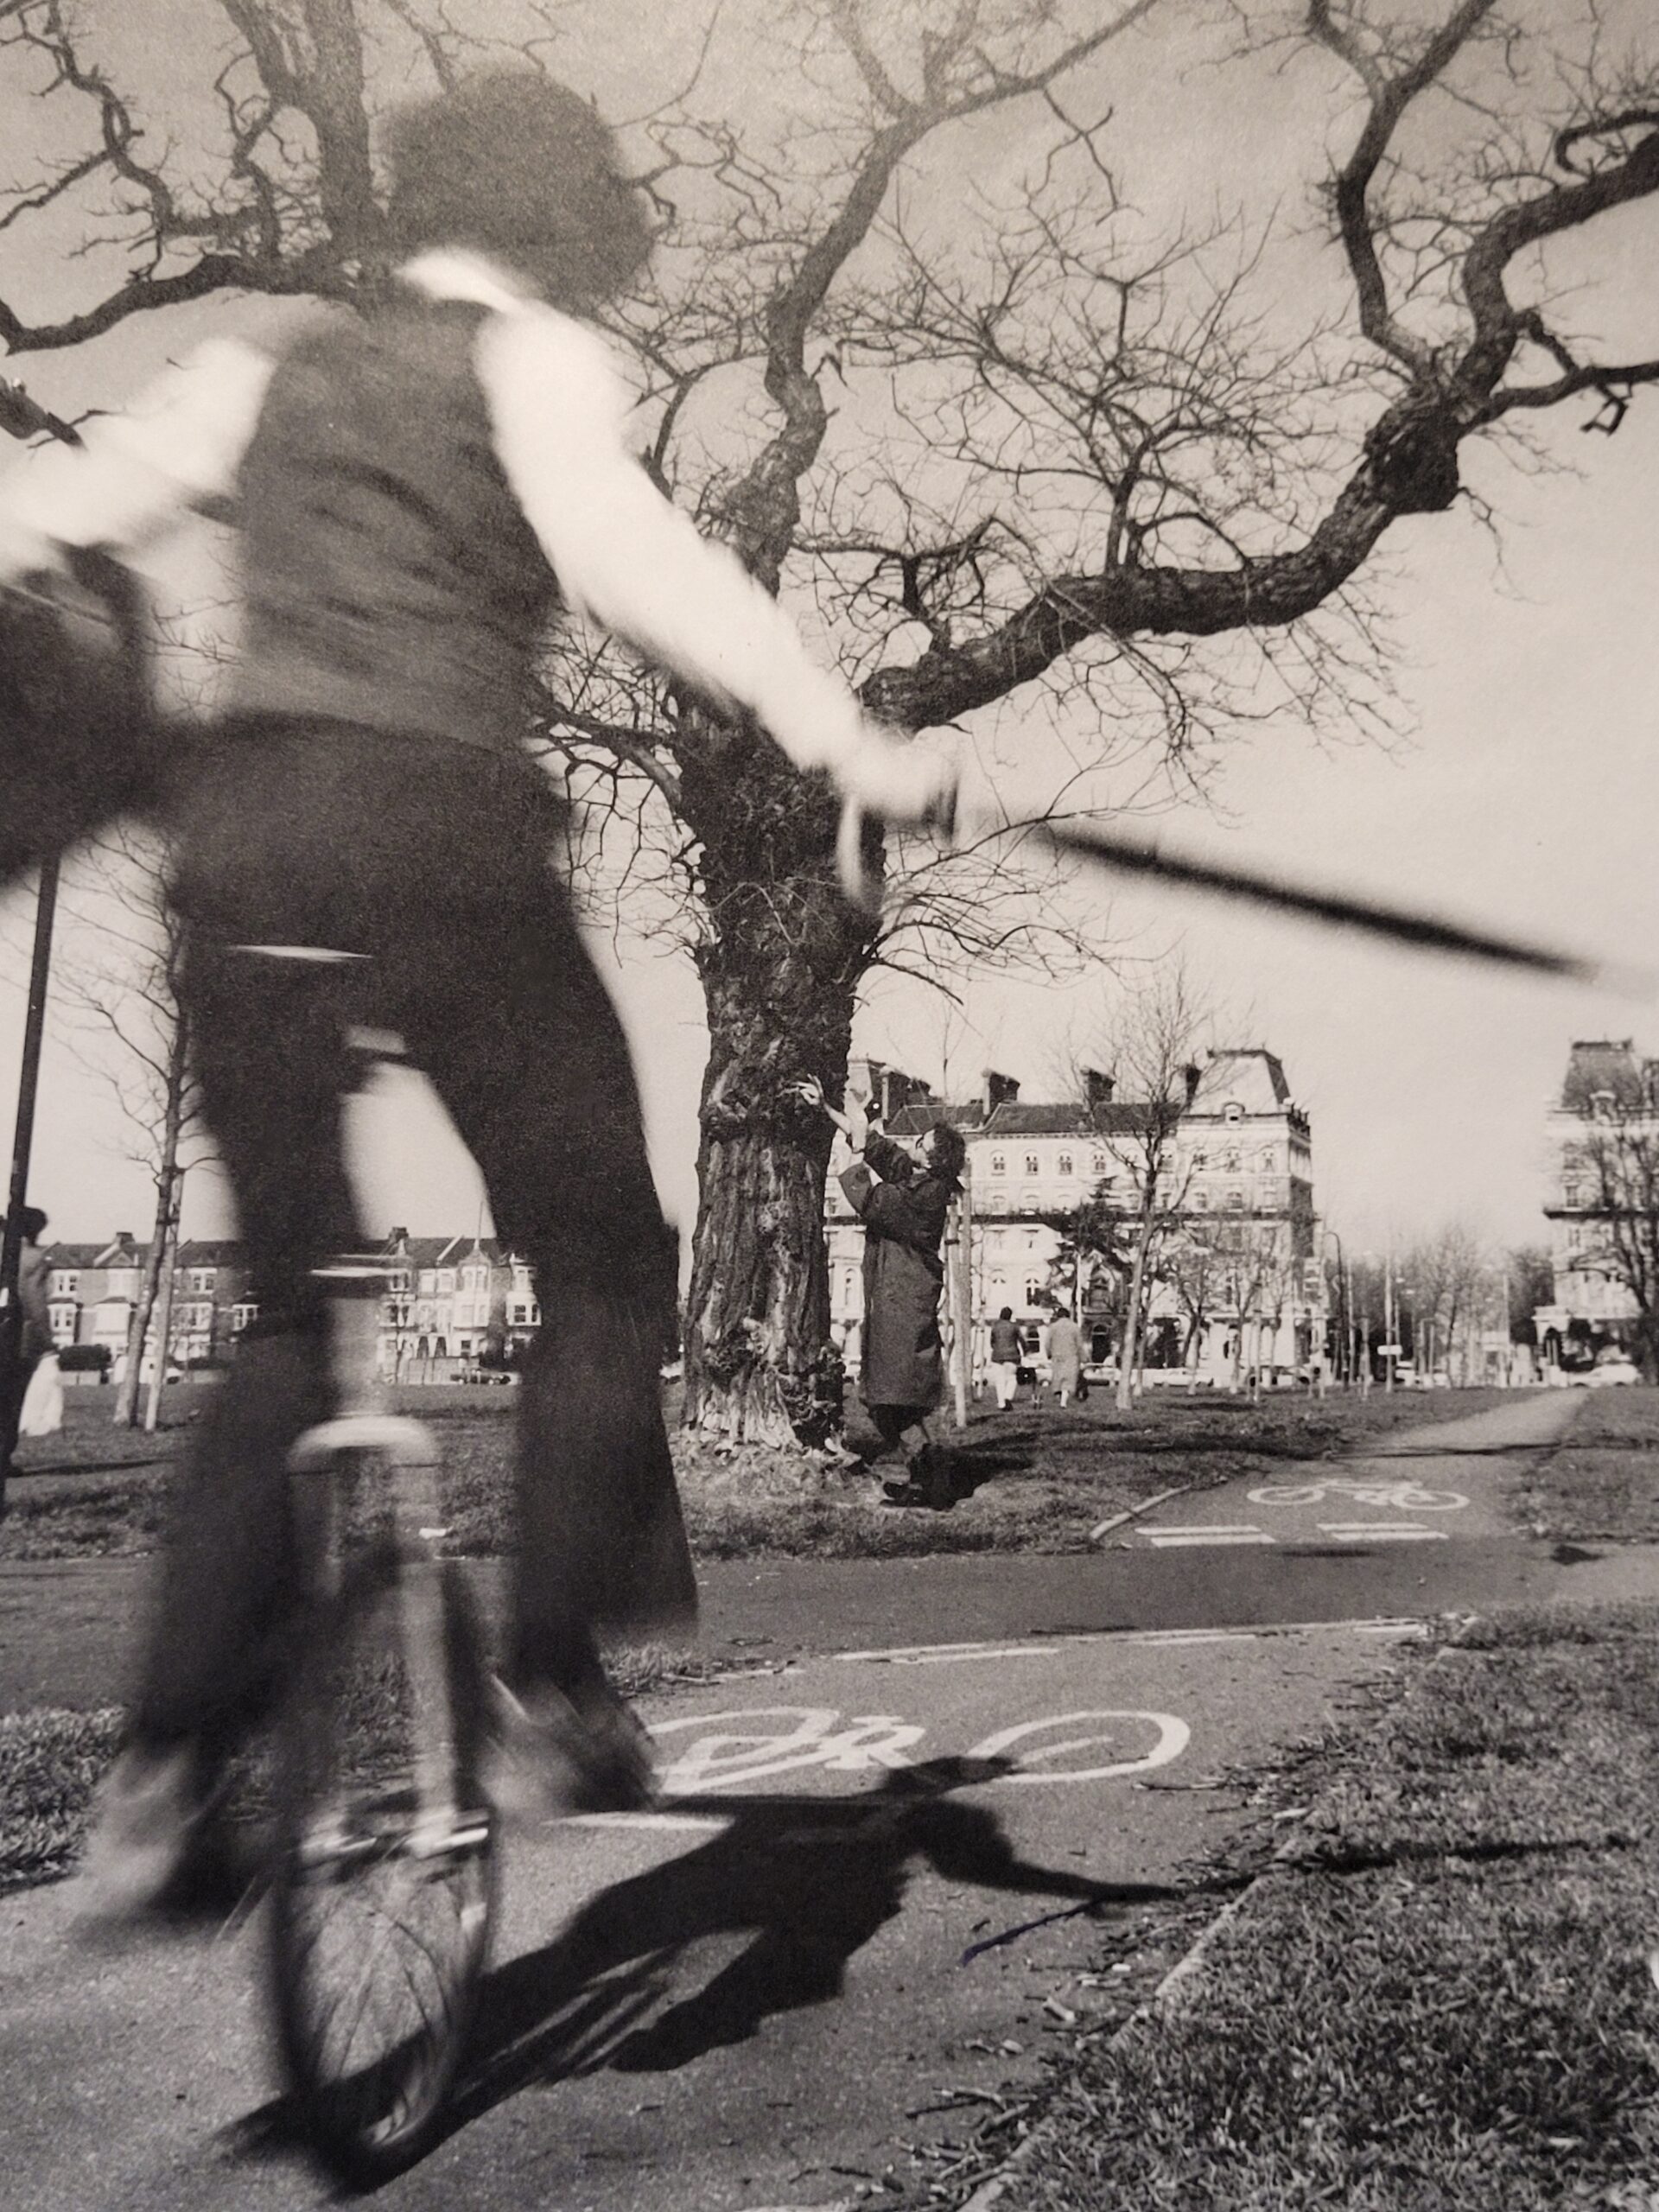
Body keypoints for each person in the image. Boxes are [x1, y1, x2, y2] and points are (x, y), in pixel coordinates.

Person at [0, 70, 956, 1920]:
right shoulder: (534, 360)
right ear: (562, 224)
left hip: (244, 848)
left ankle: (168, 1771)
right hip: (444, 840)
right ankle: (549, 1683)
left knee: (292, 1311)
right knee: (599, 1248)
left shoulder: (263, 369)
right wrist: (845, 738)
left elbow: (53, 510)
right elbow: (636, 558)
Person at [795, 1079, 966, 1510]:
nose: (914, 1143)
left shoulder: (927, 1196)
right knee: (887, 1397)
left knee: (889, 1398)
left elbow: (871, 1199)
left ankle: (931, 1477)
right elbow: (880, 1149)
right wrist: (829, 1109)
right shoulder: (923, 1179)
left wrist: (855, 1151)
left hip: (904, 1304)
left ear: (934, 1159)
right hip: (895, 1300)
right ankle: (928, 1476)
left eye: (922, 1142)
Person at [1, 1205, 53, 1480]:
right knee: (10, 1400)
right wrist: (47, 1340)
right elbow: (35, 1303)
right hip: (16, 1340)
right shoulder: (33, 1258)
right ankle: (2, 1457)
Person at [1046, 1310, 1084, 1408]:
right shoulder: (1074, 1327)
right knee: (1068, 1380)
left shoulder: (1053, 1327)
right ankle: (1063, 1401)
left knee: (1058, 1378)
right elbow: (1079, 1344)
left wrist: (1049, 1353)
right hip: (1071, 1356)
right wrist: (1082, 1357)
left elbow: (1047, 1342)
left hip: (1057, 1356)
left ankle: (1060, 1397)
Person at [986, 1307, 1021, 1411]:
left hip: (997, 1355)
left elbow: (992, 1341)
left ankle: (1001, 1403)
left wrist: (995, 1348)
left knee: (999, 1380)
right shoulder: (1014, 1327)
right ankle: (1008, 1397)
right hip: (1012, 1355)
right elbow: (1021, 1340)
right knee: (1012, 1378)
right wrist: (1026, 1349)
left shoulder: (995, 1326)